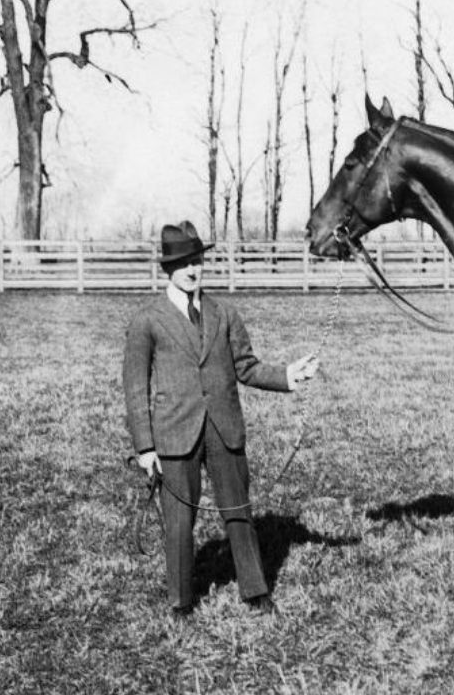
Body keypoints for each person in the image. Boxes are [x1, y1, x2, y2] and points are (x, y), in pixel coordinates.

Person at [122, 221, 318, 618]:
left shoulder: (224, 313)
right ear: (168, 269)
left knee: (239, 512)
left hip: (224, 429)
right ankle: (180, 602)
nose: (192, 269)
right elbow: (134, 387)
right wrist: (145, 447)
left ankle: (255, 591)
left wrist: (287, 376)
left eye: (197, 260)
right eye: (183, 263)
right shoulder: (147, 320)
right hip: (175, 435)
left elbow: (246, 366)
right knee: (179, 522)